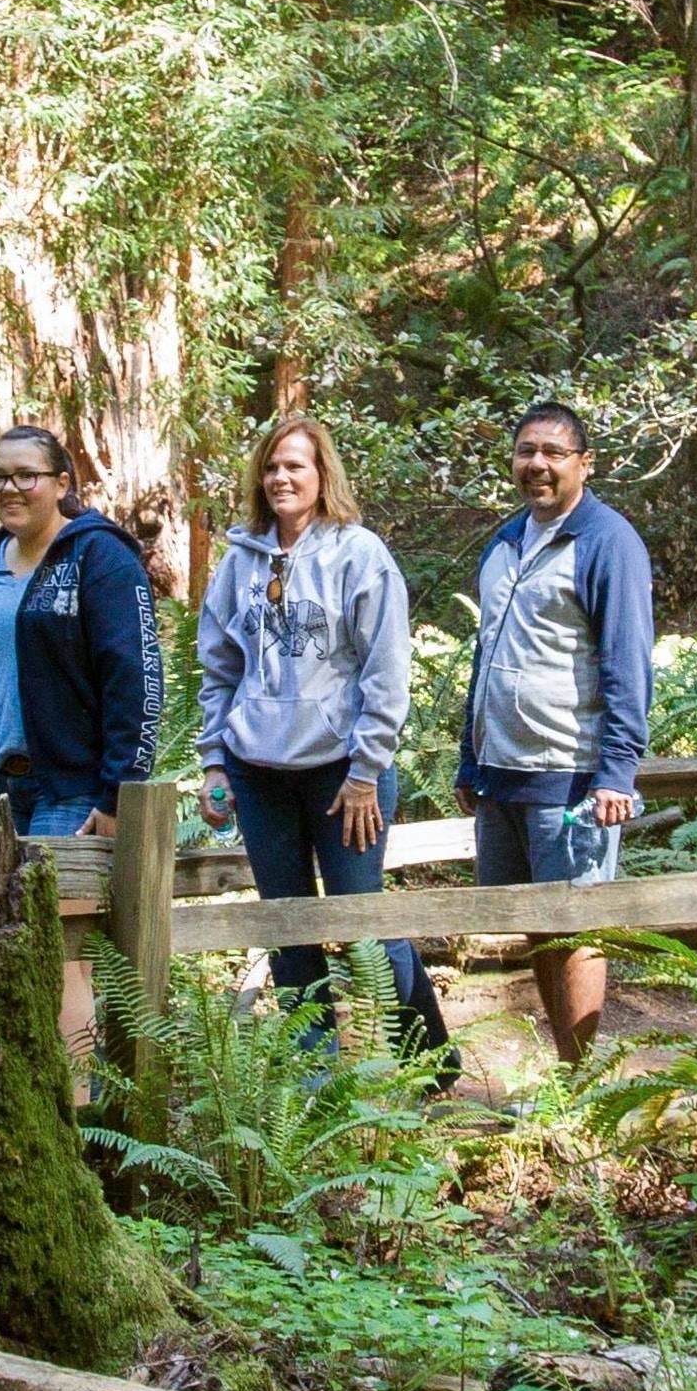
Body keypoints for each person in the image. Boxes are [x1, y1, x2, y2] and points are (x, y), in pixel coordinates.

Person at [197, 414, 451, 1055]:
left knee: (361, 916)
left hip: (343, 773)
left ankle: (426, 1061)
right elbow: (219, 668)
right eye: (273, 466)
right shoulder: (240, 560)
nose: (281, 477)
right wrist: (214, 762)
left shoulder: (359, 554)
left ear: (321, 475)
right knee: (287, 922)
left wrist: (367, 769)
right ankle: (316, 1076)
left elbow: (386, 671)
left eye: (296, 466)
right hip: (257, 772)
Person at [456, 398, 652, 1063]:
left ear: (584, 463)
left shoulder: (606, 542)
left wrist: (616, 771)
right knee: (532, 928)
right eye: (525, 452)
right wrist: (468, 758)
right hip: (501, 769)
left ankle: (581, 1080)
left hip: (568, 770)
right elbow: (486, 655)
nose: (536, 464)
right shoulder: (506, 540)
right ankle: (568, 1068)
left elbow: (626, 660)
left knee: (574, 924)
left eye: (553, 452)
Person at [0, 424, 161, 840]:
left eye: (26, 475)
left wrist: (118, 795)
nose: (10, 488)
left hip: (70, 792)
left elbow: (134, 681)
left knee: (55, 906)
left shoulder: (99, 556)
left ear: (61, 484)